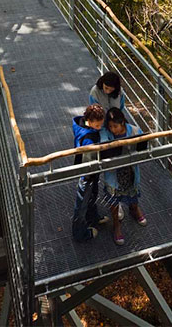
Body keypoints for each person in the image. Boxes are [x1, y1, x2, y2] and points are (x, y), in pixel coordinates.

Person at [100, 108, 147, 245]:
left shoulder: (134, 130)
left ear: (122, 123)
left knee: (133, 191)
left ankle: (134, 209)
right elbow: (103, 145)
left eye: (115, 126)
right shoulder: (106, 133)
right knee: (114, 199)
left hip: (130, 170)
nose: (112, 129)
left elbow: (142, 146)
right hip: (114, 173)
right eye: (110, 126)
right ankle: (116, 225)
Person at [71, 104, 109, 242]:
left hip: (90, 171)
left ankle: (92, 216)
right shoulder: (88, 138)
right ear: (90, 121)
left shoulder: (82, 125)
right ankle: (80, 233)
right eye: (98, 125)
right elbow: (90, 158)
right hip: (88, 173)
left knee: (92, 194)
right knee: (82, 202)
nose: (100, 127)